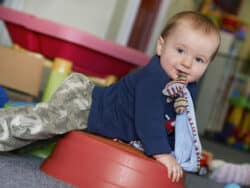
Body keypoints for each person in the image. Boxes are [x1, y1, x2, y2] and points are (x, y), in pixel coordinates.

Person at [0, 11, 220, 183]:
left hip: (104, 118)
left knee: (45, 138)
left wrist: (177, 154)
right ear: (161, 46)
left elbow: (175, 123)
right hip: (87, 105)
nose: (187, 63)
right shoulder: (153, 78)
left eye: (199, 60)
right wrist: (162, 153)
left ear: (208, 64)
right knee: (42, 124)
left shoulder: (187, 88)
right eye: (180, 51)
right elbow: (149, 117)